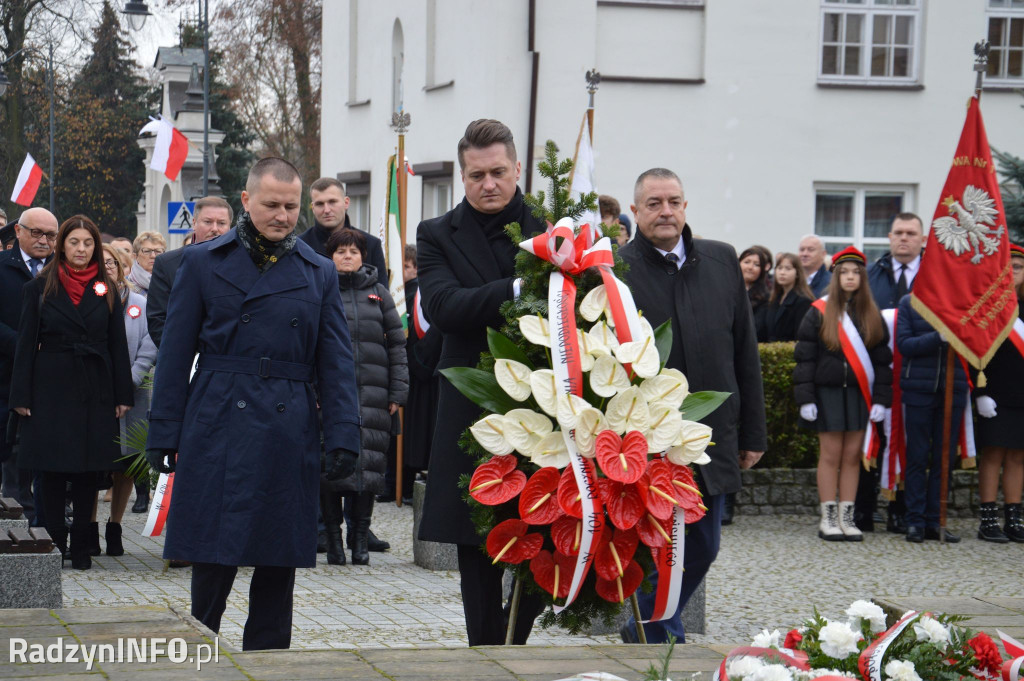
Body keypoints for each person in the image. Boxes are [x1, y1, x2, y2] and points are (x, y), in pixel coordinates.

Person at [145, 157, 360, 650]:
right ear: (246, 200)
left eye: (290, 206)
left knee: (277, 562)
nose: (282, 216)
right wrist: (164, 430)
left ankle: (269, 662)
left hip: (289, 425)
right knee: (212, 558)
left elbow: (335, 361)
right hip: (218, 416)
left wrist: (344, 432)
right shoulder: (202, 263)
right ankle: (199, 651)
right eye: (271, 205)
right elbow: (176, 354)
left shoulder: (318, 272)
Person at [617, 168, 766, 644]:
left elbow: (745, 351)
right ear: (636, 211)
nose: (666, 211)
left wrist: (754, 434)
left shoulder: (722, 261)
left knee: (704, 544)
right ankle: (657, 631)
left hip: (712, 432)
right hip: (648, 434)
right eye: (654, 203)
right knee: (656, 543)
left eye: (674, 201)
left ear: (685, 207)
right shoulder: (616, 269)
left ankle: (651, 621)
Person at [417, 119, 546, 646]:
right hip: (472, 402)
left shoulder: (553, 227)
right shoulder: (436, 234)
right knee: (477, 536)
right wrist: (520, 285)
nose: (488, 183)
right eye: (476, 175)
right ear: (462, 175)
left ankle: (516, 634)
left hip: (547, 401)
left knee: (547, 523)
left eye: (497, 172)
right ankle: (484, 650)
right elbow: (443, 306)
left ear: (517, 168)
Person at [9, 215, 133, 569]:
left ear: (96, 247)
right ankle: (52, 546)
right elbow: (25, 345)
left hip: (94, 388)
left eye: (88, 243)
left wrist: (123, 394)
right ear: (62, 245)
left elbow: (117, 345)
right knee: (51, 471)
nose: (81, 249)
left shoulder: (106, 288)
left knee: (87, 472)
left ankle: (81, 549)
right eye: (74, 242)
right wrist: (21, 397)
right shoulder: (39, 288)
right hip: (50, 387)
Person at [320, 227, 408, 566]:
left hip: (374, 395)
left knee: (368, 471)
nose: (347, 256)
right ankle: (333, 542)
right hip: (331, 397)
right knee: (329, 472)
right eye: (340, 251)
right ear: (330, 257)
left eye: (353, 251)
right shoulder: (321, 289)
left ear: (363, 256)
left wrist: (398, 392)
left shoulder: (380, 293)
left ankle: (359, 540)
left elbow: (398, 346)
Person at [794, 247, 892, 542]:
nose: (850, 277)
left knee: (852, 457)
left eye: (856, 273)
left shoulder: (871, 315)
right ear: (835, 277)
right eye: (844, 272)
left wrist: (881, 401)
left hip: (860, 396)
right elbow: (805, 359)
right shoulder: (819, 311)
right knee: (830, 455)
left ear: (863, 278)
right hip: (828, 395)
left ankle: (846, 518)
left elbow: (882, 362)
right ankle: (828, 518)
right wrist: (806, 399)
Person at [89, 244, 156, 553]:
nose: (108, 266)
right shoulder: (87, 301)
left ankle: (114, 527)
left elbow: (150, 341)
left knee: (126, 464)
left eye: (112, 262)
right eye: (101, 263)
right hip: (95, 396)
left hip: (133, 393)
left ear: (122, 265)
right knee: (91, 464)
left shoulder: (140, 303)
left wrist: (131, 378)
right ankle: (89, 527)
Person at [863, 213, 927, 534]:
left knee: (911, 441)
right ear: (889, 237)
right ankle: (866, 508)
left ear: (922, 238)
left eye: (911, 233)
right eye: (899, 232)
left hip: (920, 371)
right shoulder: (872, 274)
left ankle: (902, 510)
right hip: (878, 370)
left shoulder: (935, 276)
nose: (904, 238)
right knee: (877, 437)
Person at [896, 279, 968, 543]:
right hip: (918, 389)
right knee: (917, 456)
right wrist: (937, 337)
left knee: (944, 459)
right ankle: (914, 520)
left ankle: (935, 520)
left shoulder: (962, 306)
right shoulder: (909, 303)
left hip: (954, 389)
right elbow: (905, 345)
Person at [0, 208, 58, 524]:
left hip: (51, 377)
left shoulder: (64, 271)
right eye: (36, 232)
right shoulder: (2, 267)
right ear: (18, 231)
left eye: (50, 235)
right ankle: (15, 517)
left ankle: (45, 518)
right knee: (11, 451)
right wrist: (22, 345)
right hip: (6, 375)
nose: (43, 240)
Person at [972, 243, 1024, 543]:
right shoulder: (988, 305)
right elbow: (975, 352)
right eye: (1007, 267)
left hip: (1021, 392)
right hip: (995, 392)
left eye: (1017, 267)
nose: (1012, 273)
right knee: (993, 455)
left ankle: (1014, 518)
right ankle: (988, 518)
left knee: (1018, 456)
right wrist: (981, 392)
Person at [146, 197, 233, 350]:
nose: (214, 228)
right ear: (194, 223)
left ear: (229, 226)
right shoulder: (167, 264)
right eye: (207, 222)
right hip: (183, 359)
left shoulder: (241, 262)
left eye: (221, 223)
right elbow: (158, 321)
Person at [396, 244, 441, 497]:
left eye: (406, 266)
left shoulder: (420, 295)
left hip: (422, 364)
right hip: (408, 369)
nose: (403, 270)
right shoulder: (398, 296)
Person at [304, 177, 387, 275]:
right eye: (320, 204)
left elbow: (381, 289)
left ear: (346, 203)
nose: (326, 210)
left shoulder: (371, 245)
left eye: (332, 202)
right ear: (313, 208)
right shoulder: (300, 247)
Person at [762, 252, 813, 342]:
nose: (782, 272)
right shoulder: (774, 298)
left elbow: (801, 336)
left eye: (788, 269)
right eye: (779, 268)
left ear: (797, 273)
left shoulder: (803, 301)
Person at [739, 246, 771, 342]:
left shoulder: (765, 296)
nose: (750, 267)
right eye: (747, 262)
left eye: (756, 264)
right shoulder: (727, 289)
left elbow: (758, 327)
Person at [126, 231, 166, 297]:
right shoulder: (125, 286)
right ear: (135, 256)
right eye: (147, 251)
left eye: (158, 251)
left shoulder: (172, 283)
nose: (153, 255)